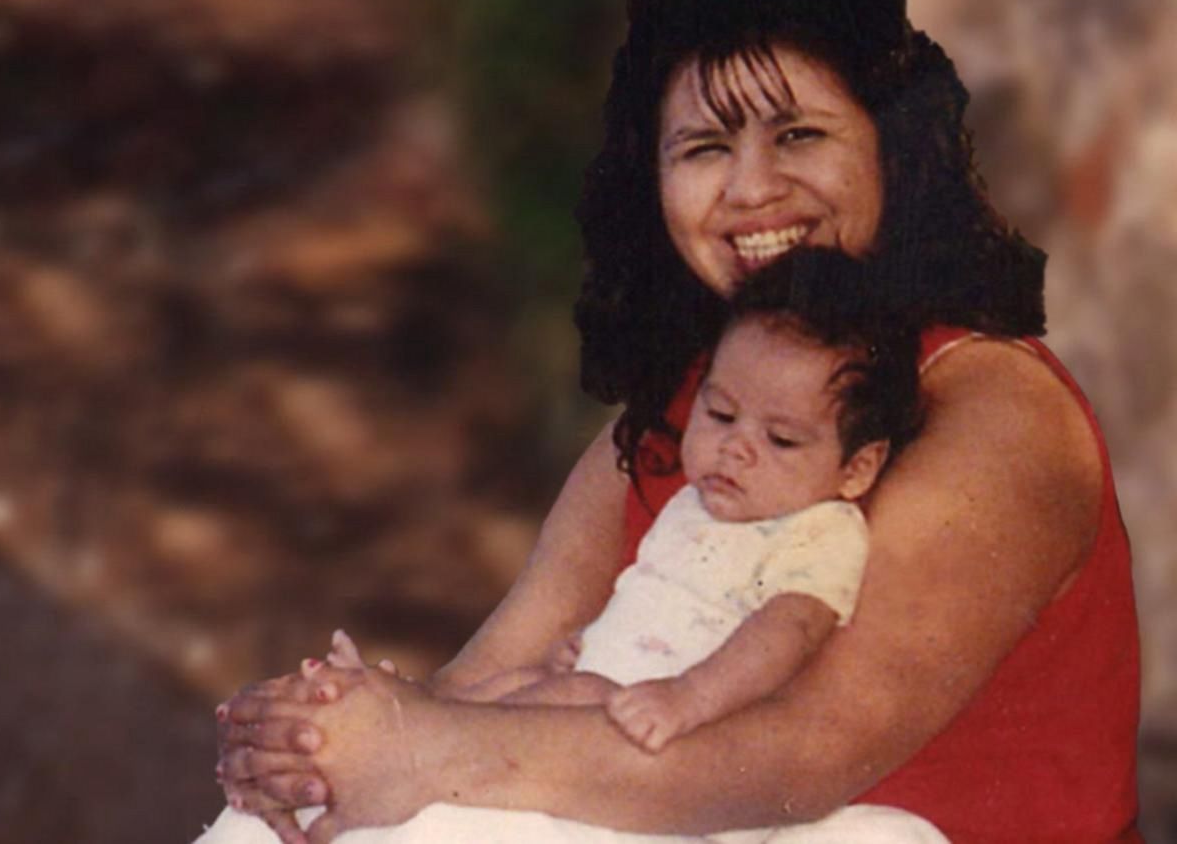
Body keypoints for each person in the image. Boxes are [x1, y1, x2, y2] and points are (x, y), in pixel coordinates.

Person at [215, 0, 1143, 842]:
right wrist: (307, 748)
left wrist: (422, 749)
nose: (752, 190)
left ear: (897, 152)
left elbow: (806, 756)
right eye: (704, 147)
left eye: (799, 135)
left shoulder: (995, 409)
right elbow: (474, 687)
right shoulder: (681, 415)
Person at [199, 251, 951, 842]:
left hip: (675, 743)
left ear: (857, 468)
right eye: (721, 414)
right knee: (510, 693)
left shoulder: (819, 531)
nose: (736, 450)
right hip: (609, 689)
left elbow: (787, 632)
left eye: (781, 439)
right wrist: (587, 642)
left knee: (522, 714)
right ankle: (377, 707)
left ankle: (397, 737)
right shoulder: (699, 502)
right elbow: (656, 596)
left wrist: (689, 698)